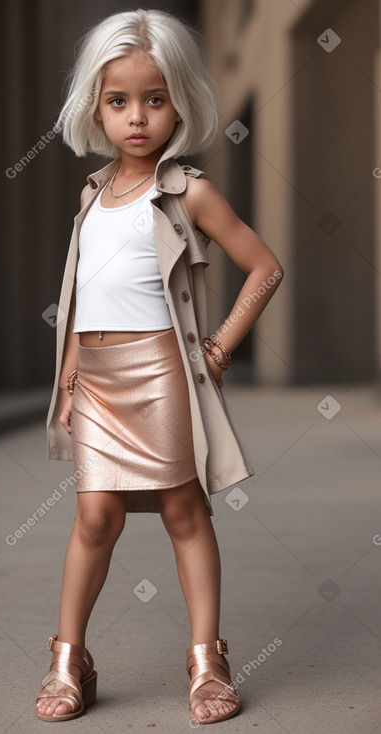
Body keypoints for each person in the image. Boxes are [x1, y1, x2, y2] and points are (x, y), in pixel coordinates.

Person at [36, 8, 283, 726]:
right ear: (95, 107)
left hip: (162, 376)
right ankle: (68, 657)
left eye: (155, 98)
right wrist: (69, 377)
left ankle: (206, 661)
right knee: (93, 517)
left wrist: (218, 346)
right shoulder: (91, 197)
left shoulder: (187, 191)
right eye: (119, 102)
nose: (136, 117)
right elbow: (83, 296)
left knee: (183, 510)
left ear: (181, 102)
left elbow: (263, 267)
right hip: (98, 380)